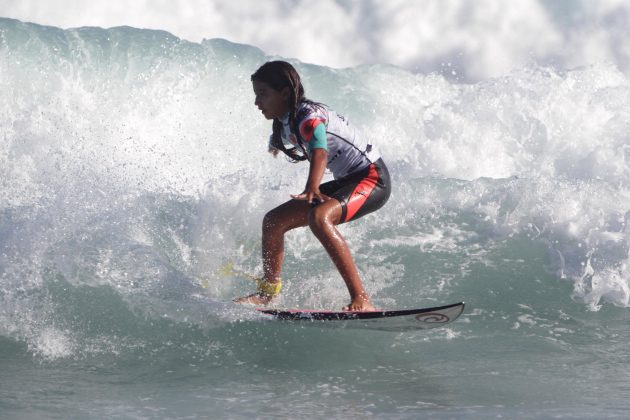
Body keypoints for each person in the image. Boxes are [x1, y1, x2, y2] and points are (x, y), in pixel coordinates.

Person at [233, 60, 391, 311]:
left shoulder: (308, 118)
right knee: (273, 221)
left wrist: (312, 186)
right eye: (256, 95)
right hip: (346, 181)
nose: (257, 102)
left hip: (372, 179)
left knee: (319, 217)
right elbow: (285, 139)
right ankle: (267, 294)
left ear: (284, 93)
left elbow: (319, 149)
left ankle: (362, 298)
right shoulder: (284, 122)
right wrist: (273, 147)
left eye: (263, 94)